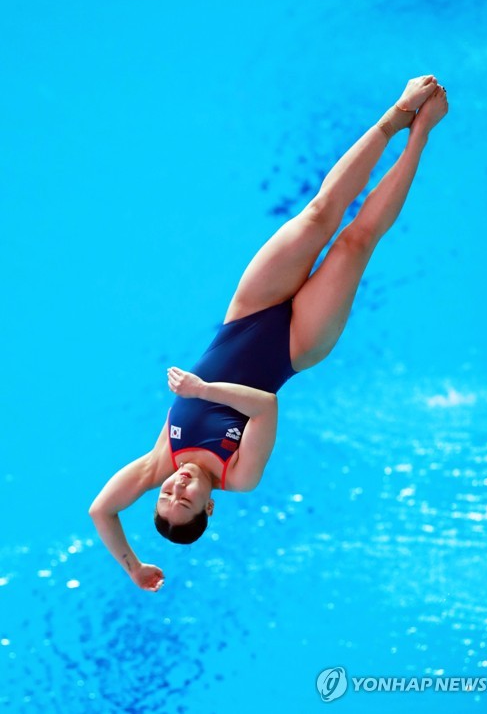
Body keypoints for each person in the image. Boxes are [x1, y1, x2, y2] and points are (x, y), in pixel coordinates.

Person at [89, 76, 448, 592]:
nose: (177, 486)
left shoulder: (157, 462)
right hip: (296, 345)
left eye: (167, 495)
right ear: (208, 506)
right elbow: (265, 408)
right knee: (354, 242)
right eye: (186, 500)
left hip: (248, 313)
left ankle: (397, 114)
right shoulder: (241, 477)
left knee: (321, 213)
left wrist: (134, 567)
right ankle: (422, 135)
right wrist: (202, 392)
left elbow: (101, 511)